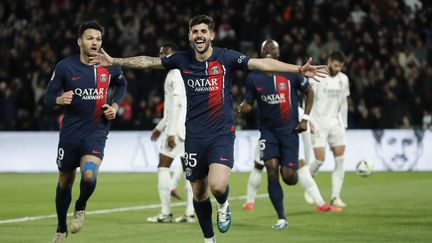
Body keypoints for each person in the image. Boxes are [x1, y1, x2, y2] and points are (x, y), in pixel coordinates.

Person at [90, 15, 326, 243]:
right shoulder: (181, 60)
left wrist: (297, 69)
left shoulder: (226, 57)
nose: (199, 35)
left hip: (221, 133)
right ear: (189, 36)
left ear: (212, 35)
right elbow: (147, 61)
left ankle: (223, 204)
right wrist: (114, 61)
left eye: (204, 31)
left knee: (218, 185)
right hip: (194, 136)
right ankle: (208, 238)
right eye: (195, 32)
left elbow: (262, 62)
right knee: (199, 193)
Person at [237, 39, 339, 229]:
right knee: (271, 170)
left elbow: (309, 92)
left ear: (278, 53)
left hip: (289, 131)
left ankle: (293, 178)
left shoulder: (290, 73)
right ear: (260, 53)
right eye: (265, 48)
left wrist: (306, 118)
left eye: (272, 48)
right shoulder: (254, 77)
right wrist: (242, 107)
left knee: (290, 177)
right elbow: (249, 102)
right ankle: (281, 218)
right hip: (268, 131)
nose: (268, 50)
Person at [44, 21, 127, 243]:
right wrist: (60, 99)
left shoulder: (108, 66)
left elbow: (122, 84)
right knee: (64, 180)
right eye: (90, 38)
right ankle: (61, 227)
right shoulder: (65, 67)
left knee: (89, 176)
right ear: (79, 41)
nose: (95, 42)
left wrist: (115, 106)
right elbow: (47, 96)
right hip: (70, 134)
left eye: (98, 39)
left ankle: (80, 207)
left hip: (96, 132)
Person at [147, 43, 195, 223]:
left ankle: (166, 212)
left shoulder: (174, 74)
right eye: (160, 54)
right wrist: (160, 127)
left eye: (166, 54)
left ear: (174, 55)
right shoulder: (182, 73)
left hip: (177, 130)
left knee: (163, 167)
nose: (162, 58)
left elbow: (176, 105)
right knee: (190, 172)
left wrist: (171, 132)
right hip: (187, 128)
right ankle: (190, 212)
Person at [308, 50, 350, 208]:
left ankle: (335, 196)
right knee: (319, 159)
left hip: (336, 124)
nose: (337, 68)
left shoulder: (343, 79)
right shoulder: (319, 76)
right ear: (329, 61)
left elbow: (344, 102)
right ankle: (309, 183)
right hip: (318, 123)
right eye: (335, 65)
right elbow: (309, 98)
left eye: (340, 66)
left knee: (340, 160)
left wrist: (344, 124)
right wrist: (309, 120)